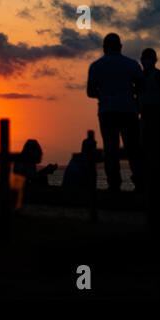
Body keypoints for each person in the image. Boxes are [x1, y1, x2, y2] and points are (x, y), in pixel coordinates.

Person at [87, 33, 143, 192]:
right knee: (133, 149)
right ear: (120, 47)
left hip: (107, 111)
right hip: (128, 111)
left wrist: (105, 93)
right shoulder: (131, 65)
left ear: (104, 48)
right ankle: (140, 184)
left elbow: (90, 92)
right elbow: (141, 87)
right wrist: (128, 92)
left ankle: (114, 185)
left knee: (110, 150)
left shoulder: (96, 66)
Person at [139, 48, 160, 231]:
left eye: (148, 59)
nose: (146, 61)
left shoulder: (157, 77)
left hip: (154, 117)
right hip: (144, 118)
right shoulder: (138, 78)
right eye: (144, 59)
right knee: (144, 154)